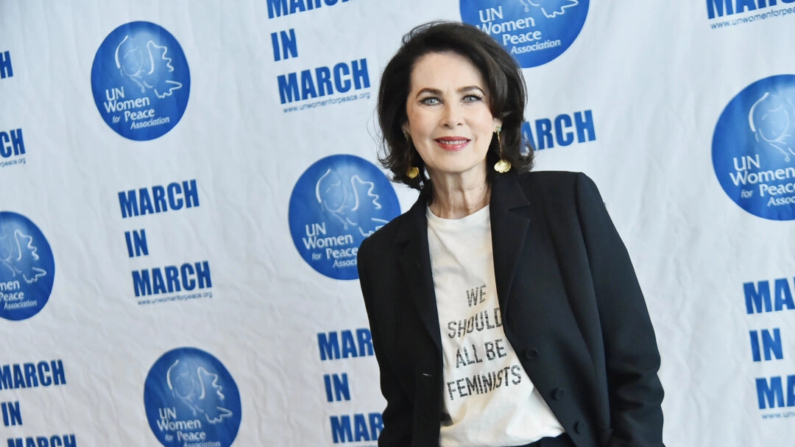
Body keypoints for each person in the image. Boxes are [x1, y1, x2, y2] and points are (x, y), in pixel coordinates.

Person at [357, 22, 664, 447]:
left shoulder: (567, 204)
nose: (452, 118)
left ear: (497, 116)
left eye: (471, 98)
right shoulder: (382, 256)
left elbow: (635, 370)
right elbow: (404, 408)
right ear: (406, 124)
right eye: (430, 100)